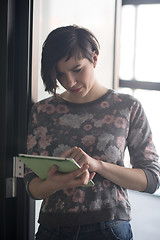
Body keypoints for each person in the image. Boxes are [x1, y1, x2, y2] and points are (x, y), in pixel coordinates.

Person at [25, 25, 160, 240]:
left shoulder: (127, 106)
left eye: (77, 69)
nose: (69, 82)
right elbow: (31, 186)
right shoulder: (42, 111)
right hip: (52, 229)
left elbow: (151, 179)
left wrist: (97, 165)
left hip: (109, 228)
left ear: (94, 59)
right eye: (60, 74)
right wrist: (56, 182)